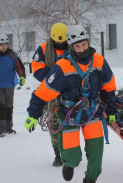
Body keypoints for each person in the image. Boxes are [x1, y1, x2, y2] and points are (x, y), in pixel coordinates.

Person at [24, 25, 116, 183]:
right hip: (69, 114)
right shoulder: (62, 67)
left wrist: (112, 111)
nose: (82, 49)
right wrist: (33, 115)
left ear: (88, 42)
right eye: (78, 46)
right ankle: (69, 164)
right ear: (71, 47)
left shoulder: (100, 62)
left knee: (96, 159)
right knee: (72, 156)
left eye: (84, 44)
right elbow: (43, 92)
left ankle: (90, 179)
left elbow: (109, 88)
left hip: (93, 112)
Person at [31, 22, 69, 167]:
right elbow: (37, 68)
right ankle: (57, 154)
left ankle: (70, 151)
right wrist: (54, 78)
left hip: (69, 92)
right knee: (54, 123)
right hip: (51, 92)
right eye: (57, 41)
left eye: (63, 41)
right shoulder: (43, 49)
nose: (60, 43)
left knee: (70, 123)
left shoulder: (73, 46)